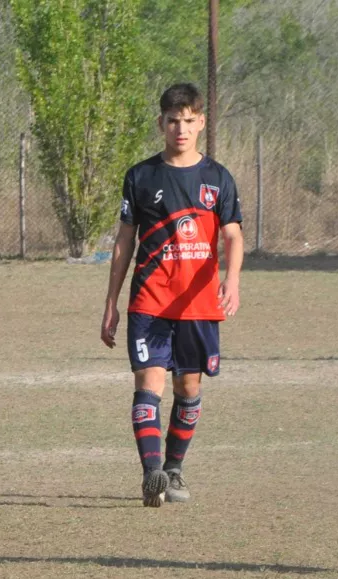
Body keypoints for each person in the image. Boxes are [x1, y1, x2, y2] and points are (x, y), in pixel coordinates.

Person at [100, 83, 244, 507]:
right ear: (161, 123)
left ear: (201, 123)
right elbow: (125, 242)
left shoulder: (218, 178)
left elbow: (233, 236)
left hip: (198, 305)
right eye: (172, 121)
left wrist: (232, 281)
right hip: (150, 301)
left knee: (188, 388)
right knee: (149, 383)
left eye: (188, 121)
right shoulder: (141, 177)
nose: (180, 129)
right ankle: (152, 475)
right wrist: (111, 303)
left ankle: (174, 468)